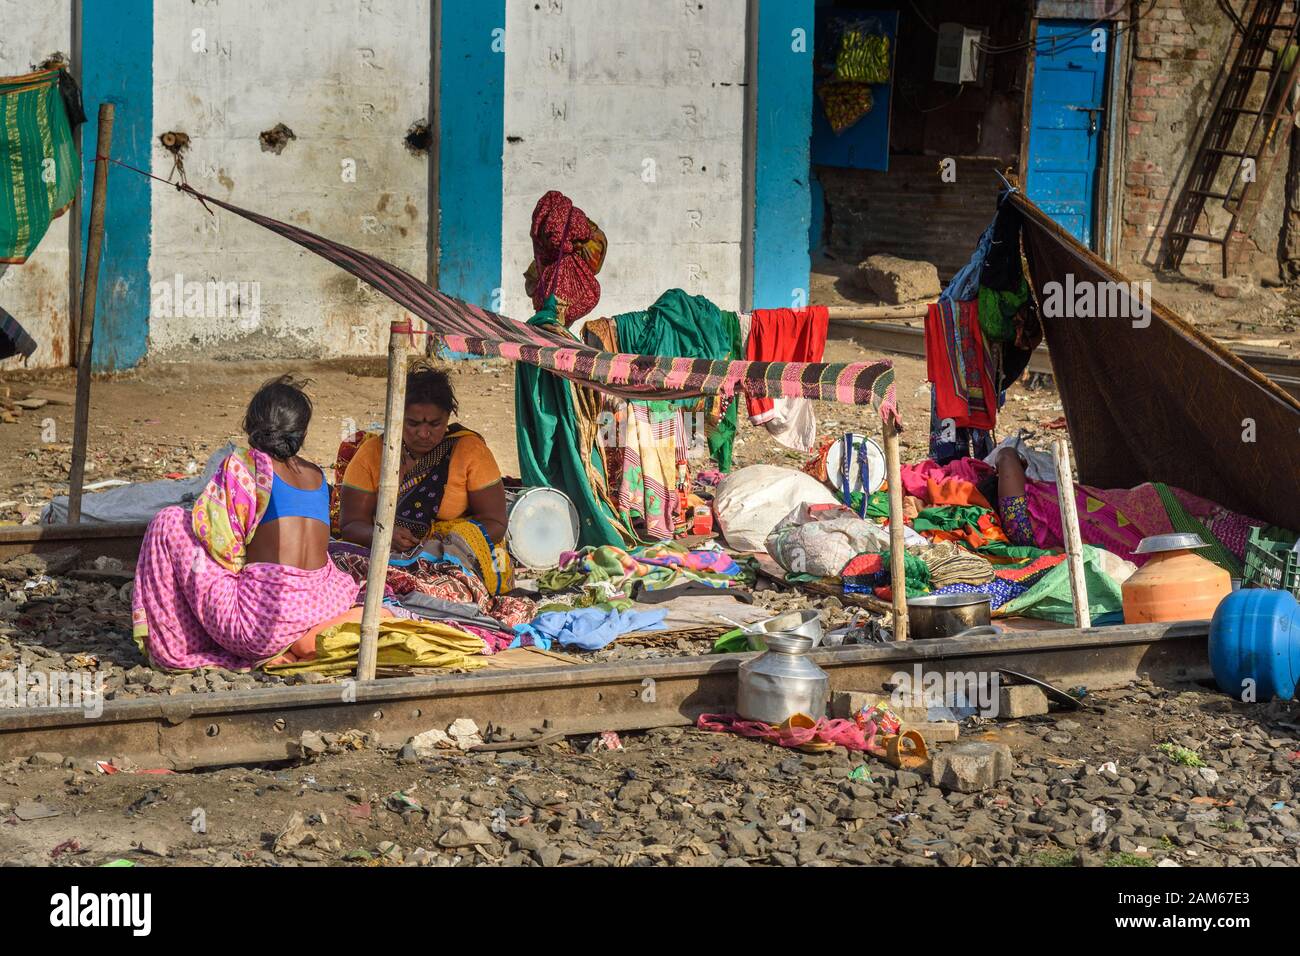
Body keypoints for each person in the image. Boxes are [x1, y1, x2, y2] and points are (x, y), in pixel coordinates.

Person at [132, 376, 361, 671]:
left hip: (258, 630)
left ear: (251, 425)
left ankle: (171, 645)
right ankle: (295, 643)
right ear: (301, 433)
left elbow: (220, 546)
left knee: (168, 522)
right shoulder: (317, 475)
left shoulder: (243, 467)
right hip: (317, 610)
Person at [333, 366, 528, 621]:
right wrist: (385, 536)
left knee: (440, 593)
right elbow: (350, 525)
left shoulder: (469, 451)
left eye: (435, 424)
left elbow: (496, 524)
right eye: (412, 423)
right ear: (397, 417)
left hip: (456, 558)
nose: (424, 434)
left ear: (447, 418)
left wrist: (444, 543)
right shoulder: (373, 454)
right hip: (389, 554)